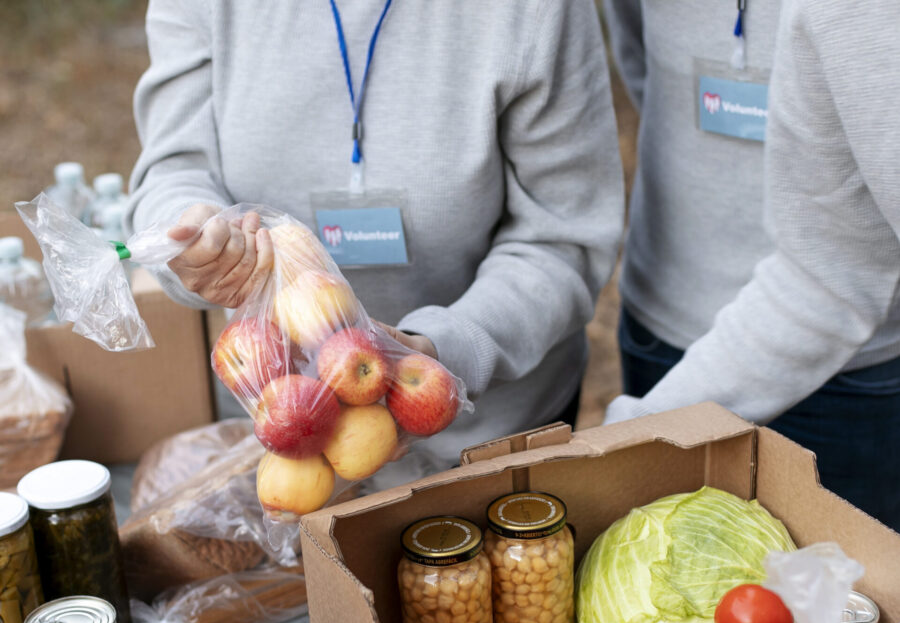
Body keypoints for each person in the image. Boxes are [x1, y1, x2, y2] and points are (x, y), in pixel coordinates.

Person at [125, 0, 624, 475]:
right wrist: (188, 240)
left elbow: (562, 238)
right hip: (289, 420)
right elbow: (174, 166)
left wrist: (443, 351)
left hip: (494, 432)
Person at [603, 0, 900, 530]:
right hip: (675, 324)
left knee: (851, 595)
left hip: (859, 360)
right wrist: (640, 430)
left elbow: (834, 271)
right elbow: (638, 55)